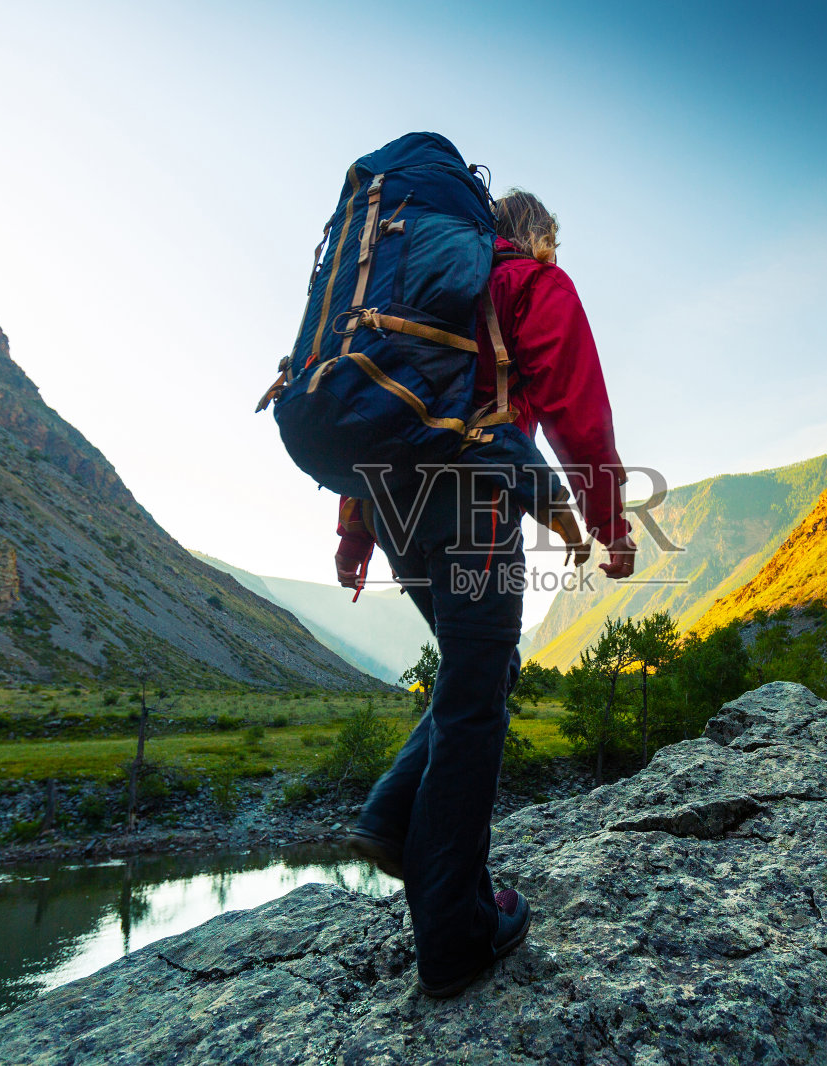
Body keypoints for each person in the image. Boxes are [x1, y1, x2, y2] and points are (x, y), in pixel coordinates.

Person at [335, 189, 636, 998]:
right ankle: (455, 932)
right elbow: (579, 416)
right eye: (552, 239)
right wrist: (611, 524)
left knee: (481, 674)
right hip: (471, 509)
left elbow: (379, 404)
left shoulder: (415, 293)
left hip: (399, 511)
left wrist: (356, 530)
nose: (554, 252)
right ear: (533, 235)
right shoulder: (529, 284)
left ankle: (396, 817)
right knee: (475, 702)